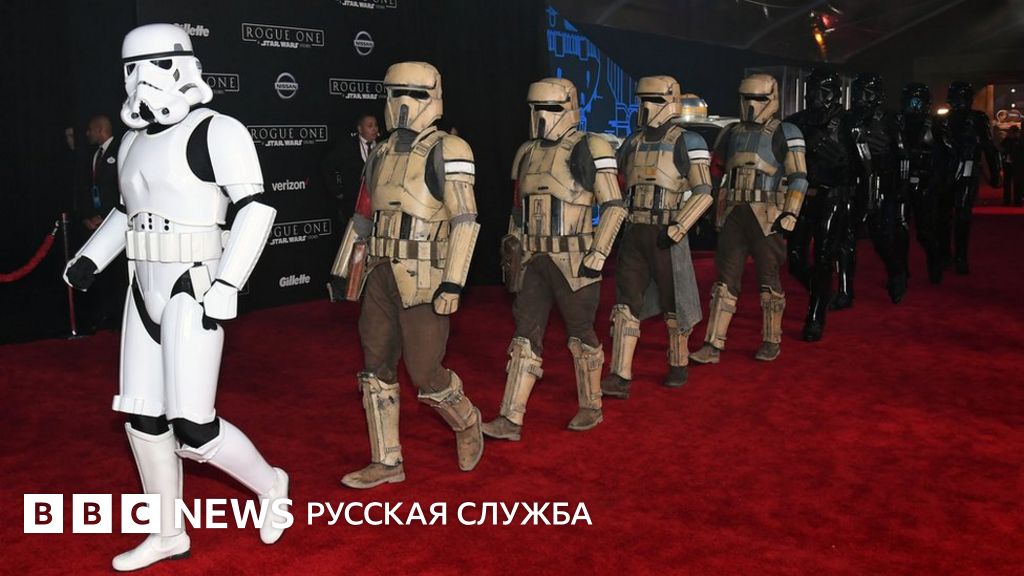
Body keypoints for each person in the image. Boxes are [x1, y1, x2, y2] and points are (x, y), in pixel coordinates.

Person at [63, 24, 290, 571]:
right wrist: (91, 258)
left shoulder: (218, 131)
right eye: (132, 68)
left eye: (157, 64)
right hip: (143, 285)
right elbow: (127, 212)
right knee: (142, 417)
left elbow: (255, 209)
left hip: (195, 282)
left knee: (193, 425)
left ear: (183, 65)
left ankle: (271, 485)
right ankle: (167, 533)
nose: (143, 79)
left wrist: (229, 282)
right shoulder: (132, 141)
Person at [329, 62, 484, 489]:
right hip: (379, 270)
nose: (404, 103)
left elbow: (465, 219)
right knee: (374, 365)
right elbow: (364, 215)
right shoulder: (380, 152)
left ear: (435, 96)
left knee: (425, 372)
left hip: (425, 275)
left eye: (415, 94)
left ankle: (466, 419)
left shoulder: (450, 148)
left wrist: (453, 282)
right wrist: (344, 271)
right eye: (396, 92)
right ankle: (387, 460)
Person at [483, 77, 627, 440]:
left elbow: (614, 206)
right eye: (536, 108)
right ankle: (511, 417)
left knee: (580, 333)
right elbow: (518, 210)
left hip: (575, 258)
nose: (542, 115)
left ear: (570, 107)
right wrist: (513, 250)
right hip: (533, 257)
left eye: (550, 107)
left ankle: (591, 404)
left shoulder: (591, 147)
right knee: (524, 335)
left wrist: (598, 254)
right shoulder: (527, 152)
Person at [600, 75, 713, 400]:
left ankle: (678, 362)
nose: (647, 107)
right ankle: (620, 374)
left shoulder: (687, 141)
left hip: (667, 230)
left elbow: (704, 191)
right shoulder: (633, 142)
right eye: (643, 100)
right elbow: (613, 183)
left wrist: (678, 227)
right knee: (625, 303)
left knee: (674, 302)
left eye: (656, 100)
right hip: (635, 228)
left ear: (672, 101)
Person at [689, 73, 807, 364]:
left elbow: (799, 177)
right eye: (747, 98)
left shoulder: (786, 132)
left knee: (768, 281)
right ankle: (713, 344)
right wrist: (706, 206)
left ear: (773, 99)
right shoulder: (730, 132)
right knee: (724, 282)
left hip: (767, 215)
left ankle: (771, 339)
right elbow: (716, 173)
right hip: (733, 212)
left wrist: (790, 212)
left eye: (760, 98)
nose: (752, 104)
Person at [784, 69, 852, 341]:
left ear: (836, 93)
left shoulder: (847, 124)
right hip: (801, 197)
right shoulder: (794, 123)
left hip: (832, 196)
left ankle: (815, 316)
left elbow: (865, 164)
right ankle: (822, 292)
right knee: (795, 259)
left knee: (824, 257)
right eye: (812, 89)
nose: (816, 96)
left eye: (824, 90)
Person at [836, 73, 907, 306]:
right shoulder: (846, 118)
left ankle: (896, 272)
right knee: (846, 238)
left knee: (881, 236)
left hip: (882, 184)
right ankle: (845, 291)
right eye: (858, 92)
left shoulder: (889, 119)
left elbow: (902, 153)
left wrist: (901, 186)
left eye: (866, 93)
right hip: (853, 184)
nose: (860, 98)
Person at [935, 81, 1001, 275]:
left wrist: (995, 172)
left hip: (964, 169)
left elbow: (989, 147)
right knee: (948, 216)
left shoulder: (976, 119)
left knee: (958, 215)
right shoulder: (944, 120)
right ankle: (950, 255)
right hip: (950, 171)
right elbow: (989, 147)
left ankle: (957, 256)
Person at [78, 114, 128, 331]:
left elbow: (123, 188)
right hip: (96, 224)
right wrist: (88, 216)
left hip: (117, 222)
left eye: (90, 129)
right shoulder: (93, 155)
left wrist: (107, 216)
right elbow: (89, 189)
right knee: (102, 274)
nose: (87, 133)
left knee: (119, 274)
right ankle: (104, 316)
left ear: (100, 129)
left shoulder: (122, 149)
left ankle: (120, 317)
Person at [896, 82, 950, 283]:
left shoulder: (936, 125)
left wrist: (940, 181)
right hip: (902, 182)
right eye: (910, 101)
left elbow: (949, 153)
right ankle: (901, 271)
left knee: (925, 232)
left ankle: (936, 264)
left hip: (926, 183)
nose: (913, 105)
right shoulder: (898, 123)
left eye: (917, 101)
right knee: (900, 230)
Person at [321, 113, 380, 229]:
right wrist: (337, 191)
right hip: (353, 205)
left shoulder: (383, 146)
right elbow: (327, 166)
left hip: (377, 203)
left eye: (376, 125)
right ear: (360, 129)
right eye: (370, 126)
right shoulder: (347, 146)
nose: (374, 129)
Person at [1001, 125, 1021, 206]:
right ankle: (1007, 200)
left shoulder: (1019, 141)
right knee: (1007, 183)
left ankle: (1017, 200)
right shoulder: (1007, 140)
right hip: (1008, 163)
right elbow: (1002, 148)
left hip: (1016, 164)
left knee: (1017, 183)